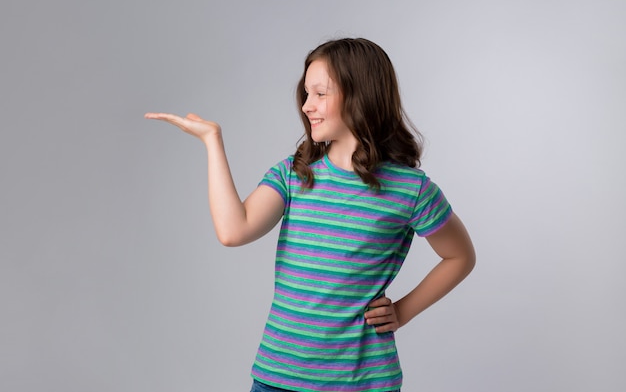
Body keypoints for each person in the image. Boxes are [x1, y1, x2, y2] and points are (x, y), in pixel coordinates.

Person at [145, 38, 475, 392]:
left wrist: (403, 311)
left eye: (320, 94)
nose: (306, 106)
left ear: (361, 94)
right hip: (277, 379)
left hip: (362, 384)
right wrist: (213, 142)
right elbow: (233, 230)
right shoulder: (295, 173)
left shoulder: (410, 189)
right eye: (305, 94)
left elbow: (460, 256)